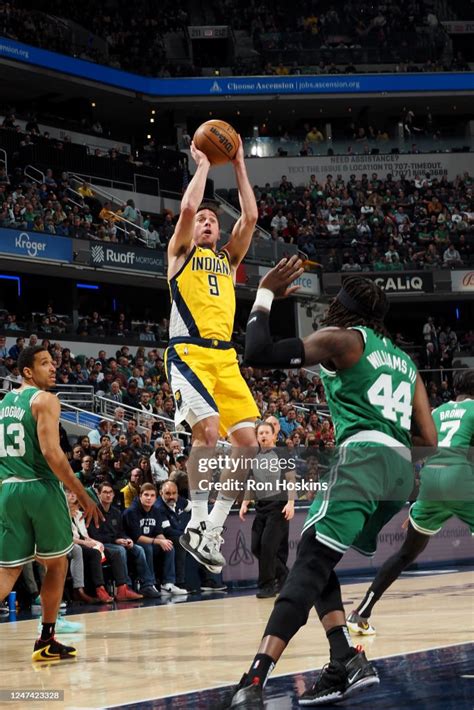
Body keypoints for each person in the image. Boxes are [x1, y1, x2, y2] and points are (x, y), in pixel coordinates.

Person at [228, 260, 437, 708]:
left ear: (343, 310)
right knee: (316, 555)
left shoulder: (345, 339)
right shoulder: (405, 362)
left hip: (364, 457)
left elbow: (258, 352)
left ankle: (254, 679)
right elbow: (429, 440)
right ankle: (345, 657)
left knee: (306, 566)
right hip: (399, 470)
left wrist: (264, 293)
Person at [165, 136, 259, 572]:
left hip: (226, 359)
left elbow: (252, 216)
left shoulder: (228, 258)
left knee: (248, 444)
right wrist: (203, 164)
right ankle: (196, 519)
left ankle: (212, 529)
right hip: (188, 353)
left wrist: (239, 163)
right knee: (207, 433)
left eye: (211, 221)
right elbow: (185, 210)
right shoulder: (180, 254)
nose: (205, 223)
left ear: (219, 231)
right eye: (202, 219)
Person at [346, 368, 474, 635]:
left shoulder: (437, 413)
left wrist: (419, 504)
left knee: (406, 553)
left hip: (430, 479)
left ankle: (361, 613)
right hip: (458, 476)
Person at [0, 345, 102, 661]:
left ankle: (48, 639)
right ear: (27, 371)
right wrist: (83, 495)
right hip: (41, 489)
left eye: (53, 362)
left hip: (8, 489)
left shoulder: (4, 404)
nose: (53, 367)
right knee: (58, 563)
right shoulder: (45, 399)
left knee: (7, 571)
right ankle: (46, 639)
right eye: (45, 363)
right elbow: (52, 453)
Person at [239, 422, 294, 598]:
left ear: (273, 436)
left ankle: (267, 585)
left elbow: (291, 480)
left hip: (279, 507)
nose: (263, 435)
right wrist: (245, 503)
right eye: (260, 433)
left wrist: (291, 503)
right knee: (256, 547)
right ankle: (285, 574)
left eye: (266, 433)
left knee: (268, 547)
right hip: (261, 507)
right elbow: (251, 482)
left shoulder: (283, 454)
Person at [122, 483, 187, 596]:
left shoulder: (156, 510)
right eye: (146, 495)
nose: (149, 498)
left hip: (150, 542)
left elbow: (158, 532)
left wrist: (164, 541)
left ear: (156, 497)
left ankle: (167, 584)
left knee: (169, 546)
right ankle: (148, 584)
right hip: (131, 544)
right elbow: (137, 537)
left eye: (152, 495)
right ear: (140, 496)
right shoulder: (131, 511)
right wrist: (158, 541)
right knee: (147, 548)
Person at [87, 482, 145, 601]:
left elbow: (121, 532)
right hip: (101, 545)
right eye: (105, 492)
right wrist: (116, 540)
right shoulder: (93, 511)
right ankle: (124, 587)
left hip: (116, 542)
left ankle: (147, 584)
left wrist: (127, 539)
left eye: (110, 492)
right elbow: (94, 536)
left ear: (113, 495)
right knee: (120, 551)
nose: (108, 495)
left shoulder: (116, 512)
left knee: (139, 549)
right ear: (98, 494)